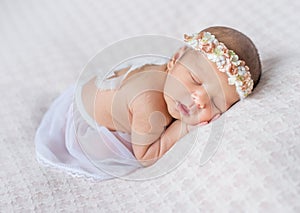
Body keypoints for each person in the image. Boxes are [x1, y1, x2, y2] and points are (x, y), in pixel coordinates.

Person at [35, 26, 261, 180]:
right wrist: (184, 127)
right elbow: (144, 157)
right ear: (174, 60)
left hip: (100, 88)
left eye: (215, 103)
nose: (198, 100)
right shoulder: (148, 101)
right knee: (103, 151)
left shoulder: (171, 81)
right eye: (195, 80)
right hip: (84, 118)